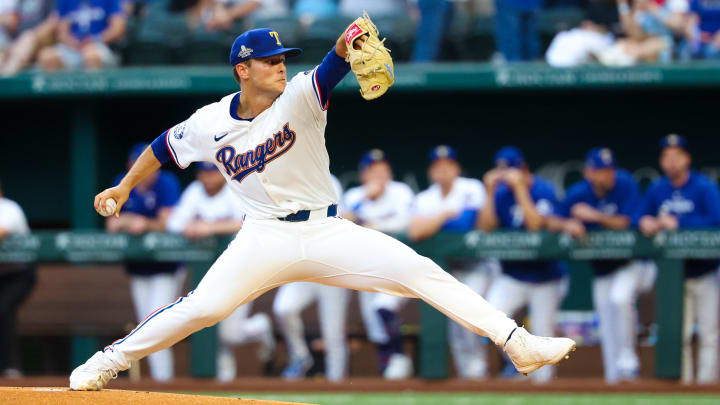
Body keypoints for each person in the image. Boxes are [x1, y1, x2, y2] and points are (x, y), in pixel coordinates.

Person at [69, 23, 575, 391]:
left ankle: (516, 342)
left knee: (419, 270)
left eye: (282, 57)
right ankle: (107, 361)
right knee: (205, 307)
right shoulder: (207, 122)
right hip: (263, 236)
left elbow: (331, 66)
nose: (280, 65)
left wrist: (348, 39)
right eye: (269, 60)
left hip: (326, 231)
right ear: (242, 70)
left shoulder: (299, 98)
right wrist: (125, 187)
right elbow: (162, 148)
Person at [165, 162, 274, 382]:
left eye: (212, 172)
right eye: (204, 173)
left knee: (230, 333)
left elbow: (247, 221)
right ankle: (224, 381)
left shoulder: (236, 188)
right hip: (209, 270)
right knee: (214, 322)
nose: (208, 178)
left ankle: (261, 327)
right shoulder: (195, 192)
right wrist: (190, 226)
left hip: (242, 267)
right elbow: (174, 223)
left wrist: (209, 227)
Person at [560, 147, 653, 383]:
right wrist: (567, 223)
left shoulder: (625, 184)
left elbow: (628, 222)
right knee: (606, 317)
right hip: (602, 269)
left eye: (610, 170)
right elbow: (554, 217)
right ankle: (614, 379)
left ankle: (629, 362)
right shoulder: (578, 192)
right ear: (589, 173)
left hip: (634, 263)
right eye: (601, 171)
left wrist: (595, 216)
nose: (607, 175)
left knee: (620, 298)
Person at [478, 146, 568, 383]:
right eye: (501, 170)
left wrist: (519, 188)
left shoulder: (542, 189)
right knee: (490, 320)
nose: (505, 175)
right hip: (513, 275)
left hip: (546, 275)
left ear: (523, 169)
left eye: (510, 170)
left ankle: (543, 383)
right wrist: (489, 191)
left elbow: (535, 224)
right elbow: (485, 227)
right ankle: (519, 366)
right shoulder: (499, 193)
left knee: (542, 331)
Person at [409, 145, 500, 379]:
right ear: (431, 171)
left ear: (456, 168)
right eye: (437, 167)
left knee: (469, 315)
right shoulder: (425, 198)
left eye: (448, 166)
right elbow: (416, 232)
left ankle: (479, 367)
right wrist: (444, 215)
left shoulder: (471, 188)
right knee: (454, 323)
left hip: (480, 266)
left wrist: (437, 224)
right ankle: (468, 375)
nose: (443, 171)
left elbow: (470, 225)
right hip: (450, 269)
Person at [637, 134, 720, 384]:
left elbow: (715, 221)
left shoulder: (704, 186)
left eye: (676, 156)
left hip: (705, 272)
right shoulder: (657, 189)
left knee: (709, 333)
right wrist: (645, 221)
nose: (671, 161)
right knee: (677, 335)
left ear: (687, 159)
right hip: (673, 276)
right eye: (666, 157)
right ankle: (682, 390)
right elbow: (638, 217)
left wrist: (679, 223)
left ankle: (706, 387)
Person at [105, 143, 182, 382]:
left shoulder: (166, 183)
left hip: (166, 267)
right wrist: (133, 220)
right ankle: (161, 380)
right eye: (135, 164)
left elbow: (167, 223)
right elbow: (111, 224)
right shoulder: (122, 182)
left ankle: (164, 381)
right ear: (131, 166)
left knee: (155, 322)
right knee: (146, 324)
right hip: (138, 268)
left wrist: (145, 224)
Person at [343, 149, 415, 379]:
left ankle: (400, 358)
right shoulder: (356, 195)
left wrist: (375, 226)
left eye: (383, 171)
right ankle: (389, 370)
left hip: (398, 265)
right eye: (374, 171)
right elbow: (340, 222)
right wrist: (365, 199)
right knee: (374, 324)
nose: (379, 176)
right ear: (364, 174)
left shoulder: (400, 192)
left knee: (383, 307)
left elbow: (407, 223)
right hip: (366, 268)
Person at [272, 174, 349, 382]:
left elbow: (336, 217)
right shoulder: (285, 179)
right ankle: (300, 356)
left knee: (333, 333)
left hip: (332, 267)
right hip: (304, 265)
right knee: (284, 308)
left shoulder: (329, 179)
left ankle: (337, 384)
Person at [0, 179, 35, 378]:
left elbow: (1, 231)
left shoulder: (9, 208)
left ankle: (10, 366)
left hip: (18, 273)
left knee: (3, 308)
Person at [37, 0, 125, 71]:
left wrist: (95, 39)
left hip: (100, 45)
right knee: (47, 56)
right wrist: (72, 43)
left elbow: (118, 28)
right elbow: (62, 31)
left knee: (91, 55)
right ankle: (58, 93)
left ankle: (92, 92)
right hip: (73, 47)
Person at [0, 0, 58, 76]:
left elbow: (53, 21)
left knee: (28, 39)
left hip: (42, 39)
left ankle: (7, 80)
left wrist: (33, 35)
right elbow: (13, 23)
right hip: (19, 41)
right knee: (1, 57)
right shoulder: (20, 1)